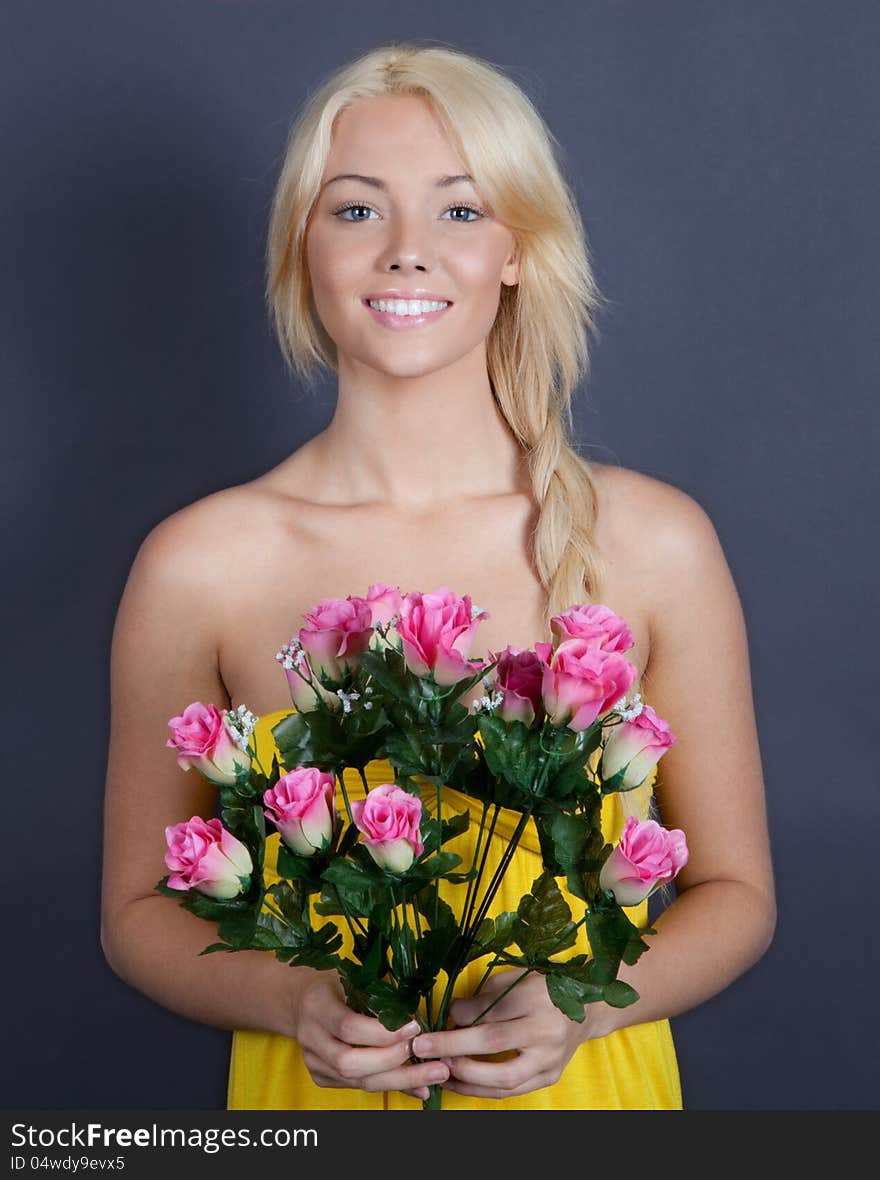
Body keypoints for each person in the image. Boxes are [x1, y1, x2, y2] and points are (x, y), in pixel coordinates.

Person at [100, 40, 776, 1111]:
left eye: (460, 211)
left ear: (516, 249)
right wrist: (291, 1000)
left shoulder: (654, 543)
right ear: (303, 249)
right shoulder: (199, 564)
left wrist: (582, 1000)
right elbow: (136, 911)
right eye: (357, 210)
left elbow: (737, 895)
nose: (407, 251)